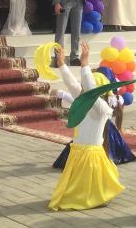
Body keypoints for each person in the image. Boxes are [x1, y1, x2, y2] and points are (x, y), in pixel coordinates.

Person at [48, 42, 125, 211]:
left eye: (85, 86)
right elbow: (72, 85)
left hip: (90, 154)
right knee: (80, 185)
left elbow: (89, 88)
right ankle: (89, 196)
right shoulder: (84, 100)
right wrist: (61, 64)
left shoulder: (102, 108)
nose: (81, 88)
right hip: (78, 152)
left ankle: (96, 197)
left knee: (91, 182)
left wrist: (85, 64)